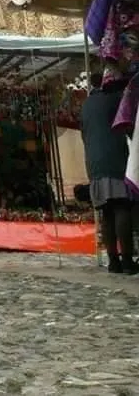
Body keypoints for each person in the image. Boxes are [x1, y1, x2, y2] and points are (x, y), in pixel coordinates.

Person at [80, 67, 137, 275]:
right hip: (116, 159)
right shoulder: (117, 100)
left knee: (106, 210)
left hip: (95, 164)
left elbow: (84, 134)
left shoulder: (87, 104)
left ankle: (113, 262)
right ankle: (128, 262)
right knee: (121, 207)